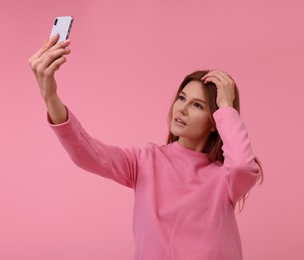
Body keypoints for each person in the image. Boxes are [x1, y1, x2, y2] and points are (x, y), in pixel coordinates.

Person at [29, 33, 264, 260]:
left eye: (198, 106)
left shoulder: (225, 176)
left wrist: (226, 108)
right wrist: (50, 96)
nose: (181, 109)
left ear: (215, 121)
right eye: (181, 98)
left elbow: (243, 166)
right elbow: (88, 153)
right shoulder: (145, 161)